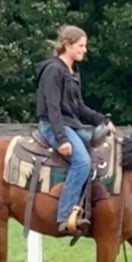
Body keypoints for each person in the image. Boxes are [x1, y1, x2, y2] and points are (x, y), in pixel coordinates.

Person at [34, 25, 116, 234]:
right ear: (67, 45)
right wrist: (61, 139)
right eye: (81, 46)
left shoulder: (71, 72)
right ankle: (64, 215)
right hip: (54, 125)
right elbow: (53, 108)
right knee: (82, 161)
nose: (84, 50)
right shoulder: (53, 70)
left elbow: (79, 108)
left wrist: (102, 121)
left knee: (100, 152)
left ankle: (87, 207)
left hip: (71, 124)